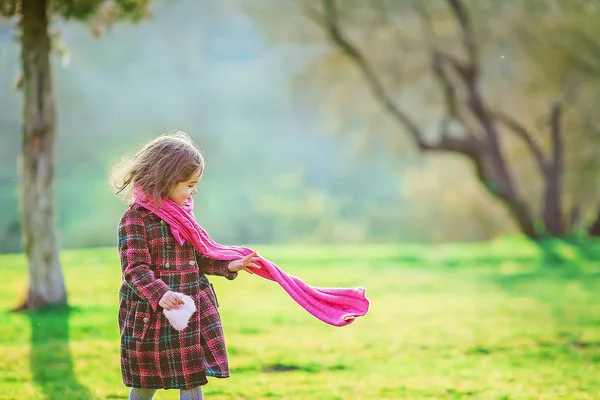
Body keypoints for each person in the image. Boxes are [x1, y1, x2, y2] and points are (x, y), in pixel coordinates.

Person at [109, 130, 261, 400]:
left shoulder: (182, 215)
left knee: (191, 379)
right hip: (153, 316)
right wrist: (161, 294)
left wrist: (230, 265)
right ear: (165, 180)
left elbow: (197, 257)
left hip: (188, 313)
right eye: (189, 184)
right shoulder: (135, 219)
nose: (195, 190)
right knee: (146, 382)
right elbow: (134, 269)